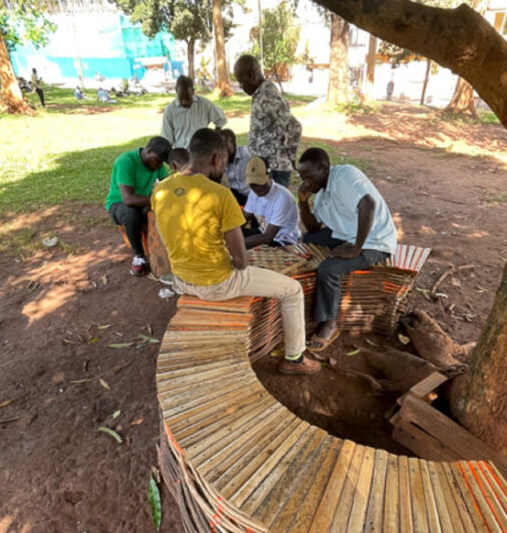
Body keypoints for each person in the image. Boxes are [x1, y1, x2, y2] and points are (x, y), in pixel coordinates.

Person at [152, 128, 319, 375]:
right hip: (218, 283)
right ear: (217, 158)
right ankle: (295, 359)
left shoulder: (161, 190)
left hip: (182, 280)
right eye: (225, 161)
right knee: (292, 291)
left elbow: (167, 236)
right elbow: (240, 262)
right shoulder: (220, 195)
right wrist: (229, 258)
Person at [297, 147, 397, 351]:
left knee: (329, 269)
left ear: (324, 168)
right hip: (346, 235)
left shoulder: (344, 176)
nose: (305, 181)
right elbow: (314, 227)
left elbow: (367, 204)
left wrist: (355, 249)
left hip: (374, 241)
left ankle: (329, 324)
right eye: (301, 177)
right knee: (308, 238)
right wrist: (303, 203)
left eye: (308, 176)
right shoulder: (322, 194)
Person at [105, 136, 172, 275]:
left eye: (162, 163)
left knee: (163, 210)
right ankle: (139, 256)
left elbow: (168, 185)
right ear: (149, 151)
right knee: (131, 215)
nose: (160, 166)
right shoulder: (126, 161)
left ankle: (166, 249)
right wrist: (158, 200)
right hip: (119, 203)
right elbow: (128, 199)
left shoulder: (155, 164)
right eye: (159, 161)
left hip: (142, 202)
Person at [233, 54, 301, 188]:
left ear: (252, 75)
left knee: (275, 206)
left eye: (241, 81)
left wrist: (291, 156)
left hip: (274, 169)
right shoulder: (260, 94)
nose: (241, 86)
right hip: (264, 167)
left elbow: (294, 126)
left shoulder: (267, 97)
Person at [242, 156, 301, 249]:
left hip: (283, 241)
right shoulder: (253, 193)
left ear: (270, 176)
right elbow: (244, 218)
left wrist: (235, 243)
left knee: (240, 245)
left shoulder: (283, 198)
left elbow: (267, 238)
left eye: (261, 183)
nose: (258, 188)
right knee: (233, 235)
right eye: (253, 185)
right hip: (263, 233)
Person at [161, 75, 227, 149]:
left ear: (193, 91)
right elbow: (167, 139)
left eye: (188, 99)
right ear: (176, 90)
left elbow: (221, 119)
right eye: (181, 98)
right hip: (182, 155)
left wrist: (214, 139)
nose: (184, 102)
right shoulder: (170, 110)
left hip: (202, 153)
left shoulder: (205, 104)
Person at [220, 128, 251, 205]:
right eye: (220, 146)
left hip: (252, 194)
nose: (223, 150)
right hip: (234, 192)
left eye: (226, 146)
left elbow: (245, 185)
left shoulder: (247, 156)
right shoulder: (219, 158)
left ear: (234, 144)